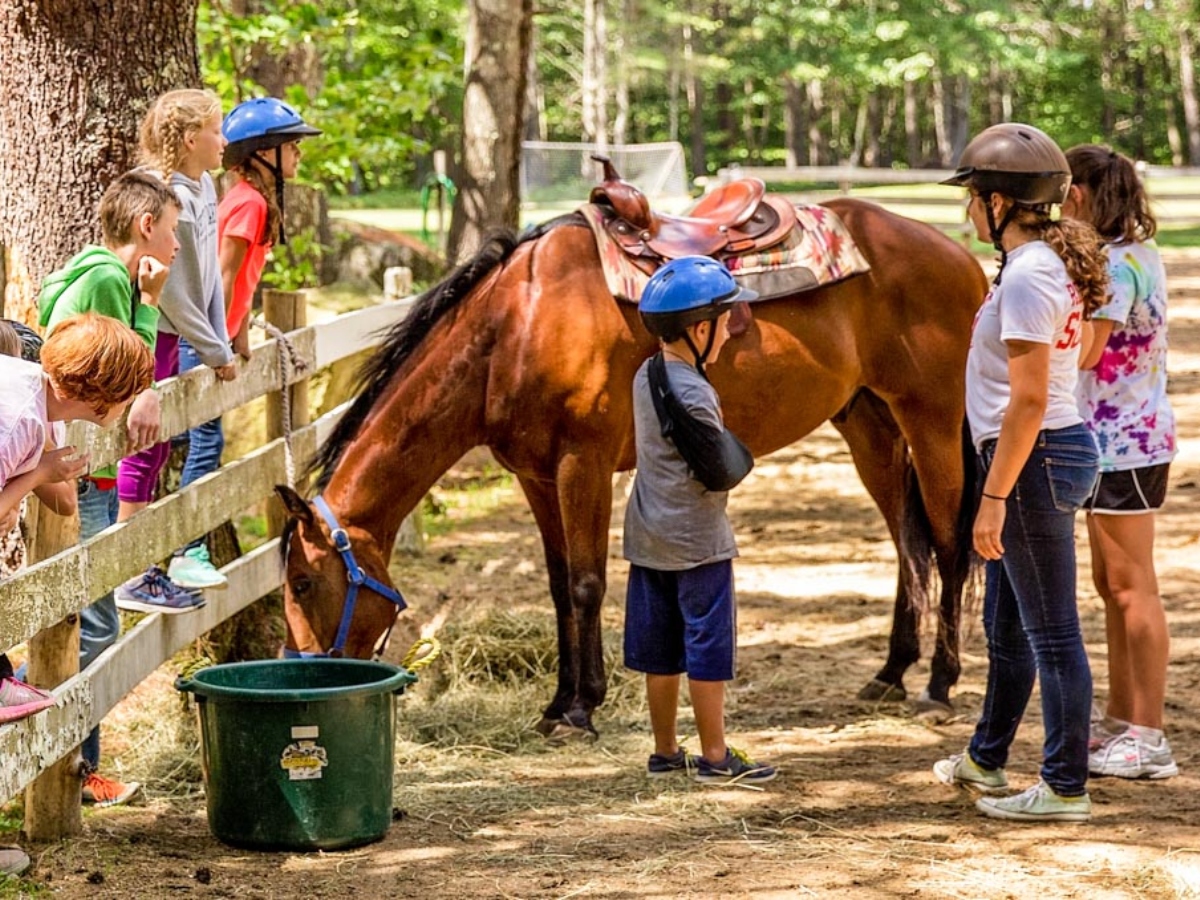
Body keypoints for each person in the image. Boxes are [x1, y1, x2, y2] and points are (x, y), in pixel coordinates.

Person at [931, 123, 1109, 822]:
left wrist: (994, 496)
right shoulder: (1031, 265)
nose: (968, 210)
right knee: (1008, 629)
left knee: (1053, 633)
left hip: (1030, 459)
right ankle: (986, 757)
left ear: (1000, 202)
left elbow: (1030, 398)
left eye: (973, 196)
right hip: (1024, 455)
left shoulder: (1033, 271)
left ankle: (1065, 786)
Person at [38, 170, 198, 809]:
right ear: (146, 226)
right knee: (96, 629)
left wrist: (149, 299)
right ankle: (36, 726)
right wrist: (151, 308)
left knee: (93, 623)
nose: (180, 245)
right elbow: (110, 369)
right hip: (87, 475)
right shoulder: (104, 279)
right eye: (174, 230)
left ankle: (81, 767)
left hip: (87, 470)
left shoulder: (111, 275)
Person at [623, 255, 775, 785]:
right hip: (698, 541)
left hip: (647, 533)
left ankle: (665, 751)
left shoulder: (647, 374)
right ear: (699, 328)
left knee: (659, 650)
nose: (731, 333)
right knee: (706, 646)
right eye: (724, 323)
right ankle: (715, 756)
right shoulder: (695, 390)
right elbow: (719, 469)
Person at [1063, 145, 1179, 780]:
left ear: (1080, 194)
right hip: (1116, 439)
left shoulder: (1113, 265)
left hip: (1124, 445)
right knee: (1112, 586)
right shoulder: (1133, 254)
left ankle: (1150, 734)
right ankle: (1120, 719)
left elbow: (1084, 354)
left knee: (1133, 587)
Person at [1, 313, 153, 722]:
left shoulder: (44, 410)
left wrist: (37, 472)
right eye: (129, 395)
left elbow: (66, 502)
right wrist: (33, 475)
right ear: (101, 395)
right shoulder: (18, 419)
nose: (129, 405)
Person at [120, 89, 237, 594]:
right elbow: (177, 294)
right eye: (216, 130)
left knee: (160, 441)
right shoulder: (170, 199)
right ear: (191, 139)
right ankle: (126, 565)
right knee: (143, 444)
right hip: (152, 329)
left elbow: (208, 276)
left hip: (182, 331)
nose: (224, 140)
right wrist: (215, 351)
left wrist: (222, 338)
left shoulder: (205, 185)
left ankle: (140, 563)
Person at [217, 96, 321, 361]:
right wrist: (216, 346)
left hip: (218, 336)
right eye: (291, 145)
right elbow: (224, 276)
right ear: (263, 152)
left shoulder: (254, 199)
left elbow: (246, 279)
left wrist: (239, 337)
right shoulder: (250, 204)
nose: (299, 153)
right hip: (203, 342)